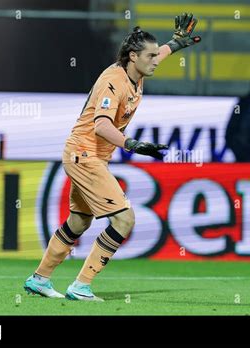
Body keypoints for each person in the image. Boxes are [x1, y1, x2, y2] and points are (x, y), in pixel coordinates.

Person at [23, 13, 201, 301]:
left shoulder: (136, 71)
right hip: (85, 154)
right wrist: (132, 144)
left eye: (158, 54)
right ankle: (81, 286)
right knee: (124, 220)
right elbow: (101, 125)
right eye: (151, 56)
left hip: (86, 155)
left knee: (79, 221)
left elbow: (160, 53)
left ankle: (39, 279)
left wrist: (176, 44)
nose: (157, 59)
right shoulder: (113, 82)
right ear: (134, 56)